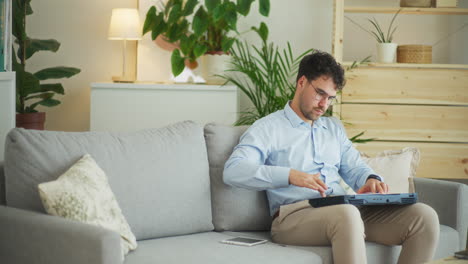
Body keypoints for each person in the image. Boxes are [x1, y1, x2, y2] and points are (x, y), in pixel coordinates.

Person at [223, 51, 439, 264]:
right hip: (294, 217)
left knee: (424, 217)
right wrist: (290, 175)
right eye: (319, 93)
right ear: (301, 82)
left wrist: (370, 179)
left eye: (330, 98)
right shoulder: (268, 127)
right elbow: (233, 170)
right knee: (346, 215)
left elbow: (355, 167)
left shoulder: (333, 128)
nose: (324, 105)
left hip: (346, 211)